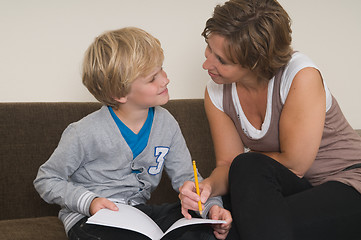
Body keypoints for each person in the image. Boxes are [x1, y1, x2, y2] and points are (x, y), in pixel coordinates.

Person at [178, 0, 361, 239]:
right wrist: (209, 186)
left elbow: (295, 165)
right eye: (209, 49)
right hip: (290, 191)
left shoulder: (300, 75)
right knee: (229, 207)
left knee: (242, 201)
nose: (206, 64)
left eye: (221, 60)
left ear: (255, 62)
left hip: (347, 183)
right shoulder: (216, 91)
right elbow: (227, 164)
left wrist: (240, 166)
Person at [33, 27, 232, 240]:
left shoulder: (166, 123)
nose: (165, 80)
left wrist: (210, 208)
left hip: (139, 214)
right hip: (91, 219)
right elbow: (46, 179)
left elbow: (187, 177)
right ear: (118, 94)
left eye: (161, 69)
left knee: (199, 227)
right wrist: (89, 203)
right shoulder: (83, 132)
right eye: (152, 78)